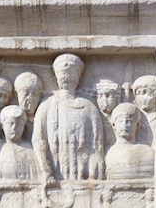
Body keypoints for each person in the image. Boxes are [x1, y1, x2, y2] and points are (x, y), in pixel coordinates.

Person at [32, 53, 106, 183]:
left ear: (79, 76)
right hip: (55, 171)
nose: (67, 75)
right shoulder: (47, 105)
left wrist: (94, 175)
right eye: (63, 72)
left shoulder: (88, 107)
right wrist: (46, 170)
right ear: (56, 75)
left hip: (83, 173)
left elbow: (97, 144)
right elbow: (38, 140)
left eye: (72, 72)